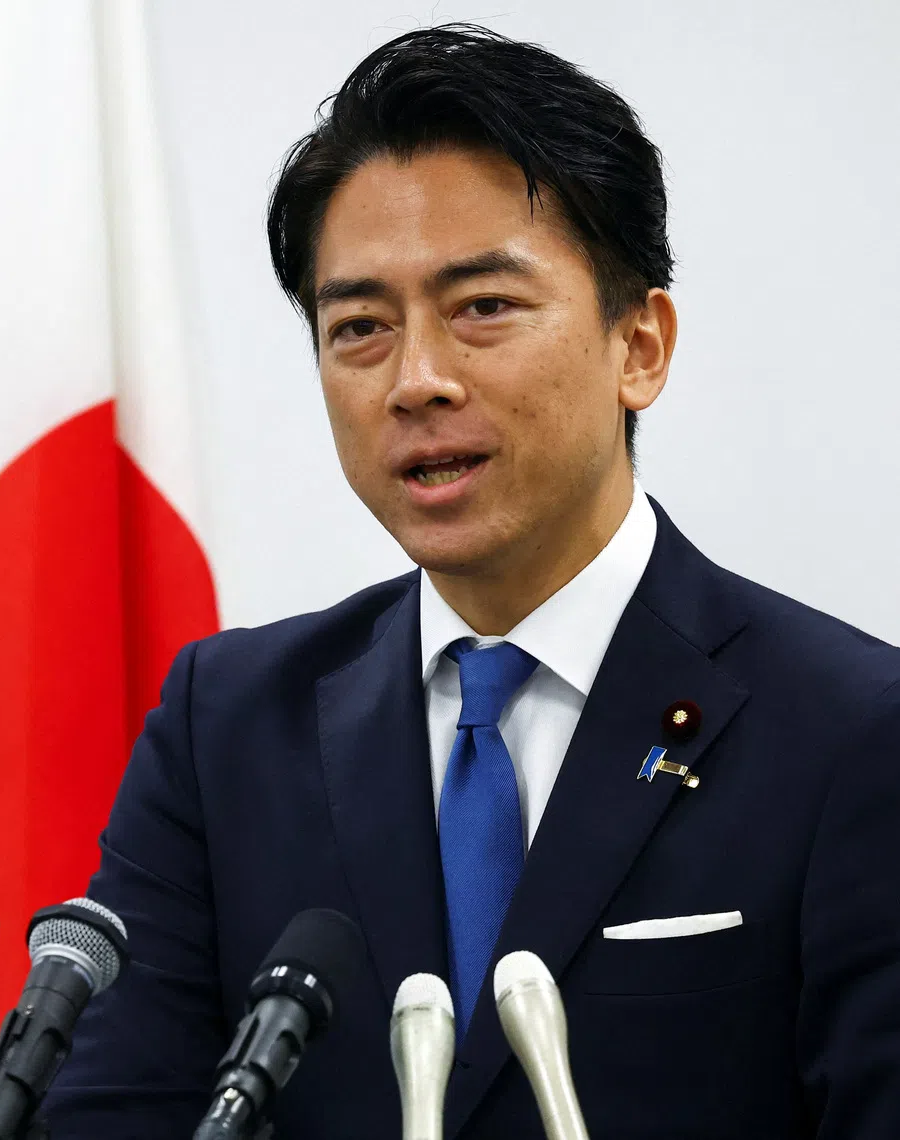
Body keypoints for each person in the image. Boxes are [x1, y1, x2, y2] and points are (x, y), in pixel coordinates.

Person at [44, 24, 900, 1139]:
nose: (418, 380)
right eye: (359, 327)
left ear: (638, 345)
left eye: (483, 308)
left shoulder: (851, 733)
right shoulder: (225, 728)